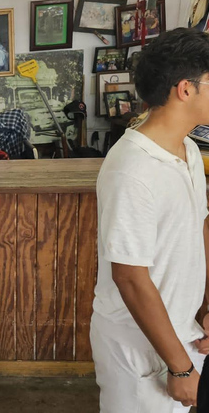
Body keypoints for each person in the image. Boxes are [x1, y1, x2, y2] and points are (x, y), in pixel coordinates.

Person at [90, 27, 209, 412]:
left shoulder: (187, 148)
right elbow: (130, 276)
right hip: (139, 345)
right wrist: (179, 368)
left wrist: (207, 305)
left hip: (182, 331)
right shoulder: (132, 169)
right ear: (185, 89)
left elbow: (199, 227)